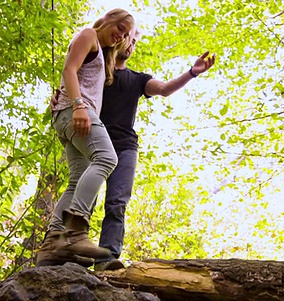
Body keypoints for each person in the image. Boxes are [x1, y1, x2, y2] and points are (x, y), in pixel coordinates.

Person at [51, 27, 216, 271]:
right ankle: (65, 248)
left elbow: (164, 89)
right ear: (117, 39)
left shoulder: (137, 79)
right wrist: (62, 101)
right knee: (84, 194)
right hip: (92, 136)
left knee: (117, 203)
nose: (131, 44)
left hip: (125, 147)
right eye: (129, 37)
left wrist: (192, 72)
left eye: (135, 41)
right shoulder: (96, 69)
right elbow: (73, 79)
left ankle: (107, 260)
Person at [35, 9, 136, 267]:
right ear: (107, 19)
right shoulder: (89, 34)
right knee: (106, 158)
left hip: (69, 114)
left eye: (125, 34)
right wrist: (78, 106)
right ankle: (76, 231)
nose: (121, 35)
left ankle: (52, 243)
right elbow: (69, 68)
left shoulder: (103, 56)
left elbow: (76, 76)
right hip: (77, 113)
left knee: (76, 180)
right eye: (120, 27)